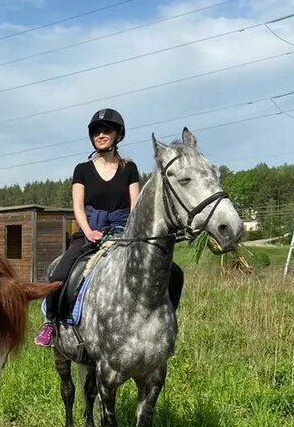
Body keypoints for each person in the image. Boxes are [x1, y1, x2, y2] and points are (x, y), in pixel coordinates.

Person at [34, 107, 183, 347]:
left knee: (174, 272)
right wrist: (88, 231)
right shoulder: (81, 170)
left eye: (106, 131)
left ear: (117, 135)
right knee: (60, 274)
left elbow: (135, 206)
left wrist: (130, 233)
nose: (101, 135)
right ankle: (51, 322)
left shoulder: (129, 169)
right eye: (96, 132)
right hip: (89, 229)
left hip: (123, 230)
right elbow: (78, 207)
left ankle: (167, 324)